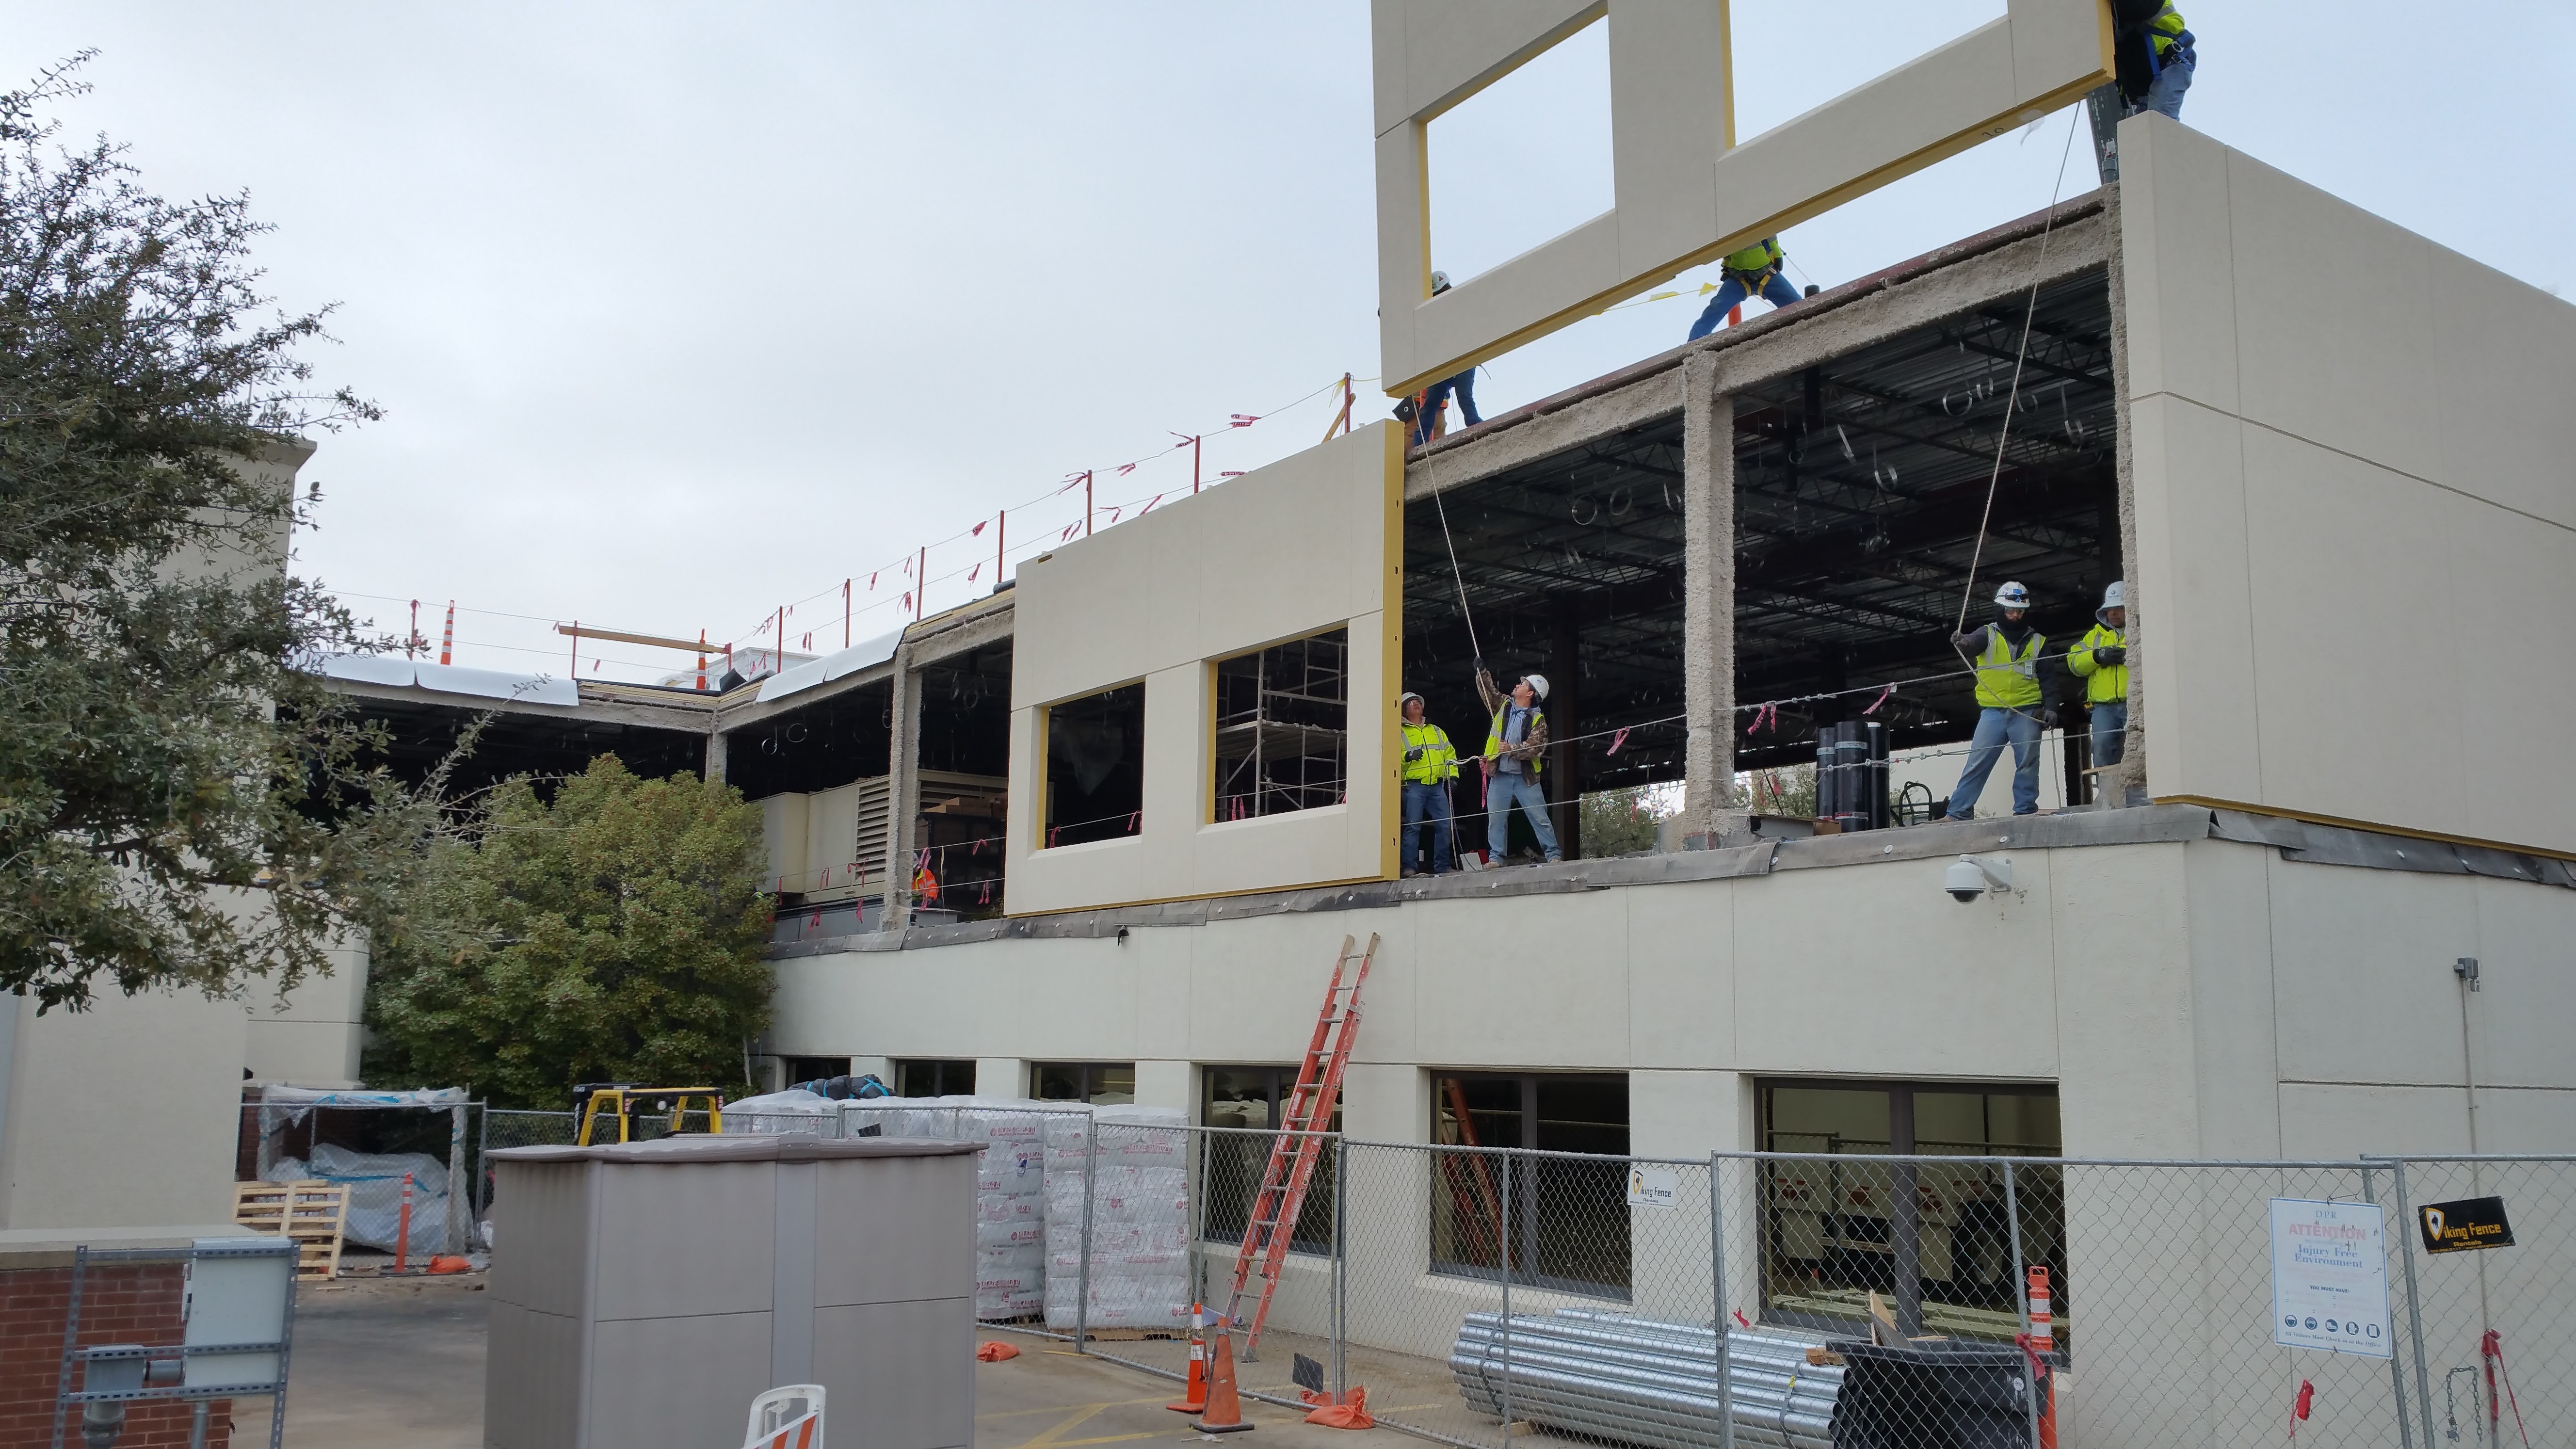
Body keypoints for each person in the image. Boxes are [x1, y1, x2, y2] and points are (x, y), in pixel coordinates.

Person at [1945, 582, 2056, 820]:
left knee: (2027, 764)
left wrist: (2052, 708)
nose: (2015, 615)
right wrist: (1963, 642)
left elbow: (2048, 679)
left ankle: (2025, 812)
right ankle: (1957, 814)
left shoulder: (2040, 642)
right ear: (2000, 609)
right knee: (1977, 763)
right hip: (1993, 712)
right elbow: (1972, 644)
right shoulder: (1988, 633)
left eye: (2019, 611)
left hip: (2027, 711)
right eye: (2010, 610)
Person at [1476, 665, 1560, 864]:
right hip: (1501, 775)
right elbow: (1488, 692)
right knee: (1496, 820)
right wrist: (1482, 672)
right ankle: (1496, 858)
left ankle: (1553, 854)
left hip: (1526, 779)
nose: (1517, 685)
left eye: (1522, 684)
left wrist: (1510, 749)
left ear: (1530, 693)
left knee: (1540, 819)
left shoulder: (1538, 720)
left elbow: (1536, 748)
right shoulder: (1504, 704)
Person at [2067, 581, 2130, 786]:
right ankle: (2108, 794)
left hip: (2136, 703)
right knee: (2102, 748)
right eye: (2110, 609)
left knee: (2139, 750)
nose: (2113, 614)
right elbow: (2074, 663)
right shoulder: (2095, 635)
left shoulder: (2142, 628)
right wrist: (2097, 656)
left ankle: (2140, 796)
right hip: (2103, 707)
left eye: (2119, 608)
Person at [1413, 272, 1483, 446]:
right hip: (1446, 364)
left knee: (1463, 398)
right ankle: (1419, 443)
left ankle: (1477, 430)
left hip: (1462, 360)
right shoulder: (1437, 311)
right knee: (1431, 405)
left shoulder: (1458, 307)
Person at [1396, 692, 1460, 877]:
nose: (1416, 704)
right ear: (1403, 711)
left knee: (1445, 825)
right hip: (1413, 786)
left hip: (1436, 787)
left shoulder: (1437, 731)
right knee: (1413, 827)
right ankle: (1409, 868)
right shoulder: (1398, 733)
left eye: (1418, 702)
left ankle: (1442, 867)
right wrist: (1406, 757)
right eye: (1411, 703)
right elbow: (1389, 759)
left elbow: (1450, 755)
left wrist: (1453, 776)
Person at [1687, 238, 1801, 341]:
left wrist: (1777, 255)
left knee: (1799, 306)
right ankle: (1693, 344)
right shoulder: (1727, 225)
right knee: (1715, 309)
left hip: (1766, 273)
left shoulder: (1756, 218)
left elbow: (1771, 237)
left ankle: (1810, 328)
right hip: (1738, 278)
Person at [2111, 0, 2193, 121]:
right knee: (2143, 132)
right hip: (2142, 80)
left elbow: (2139, 9)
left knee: (2159, 122)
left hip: (2170, 62)